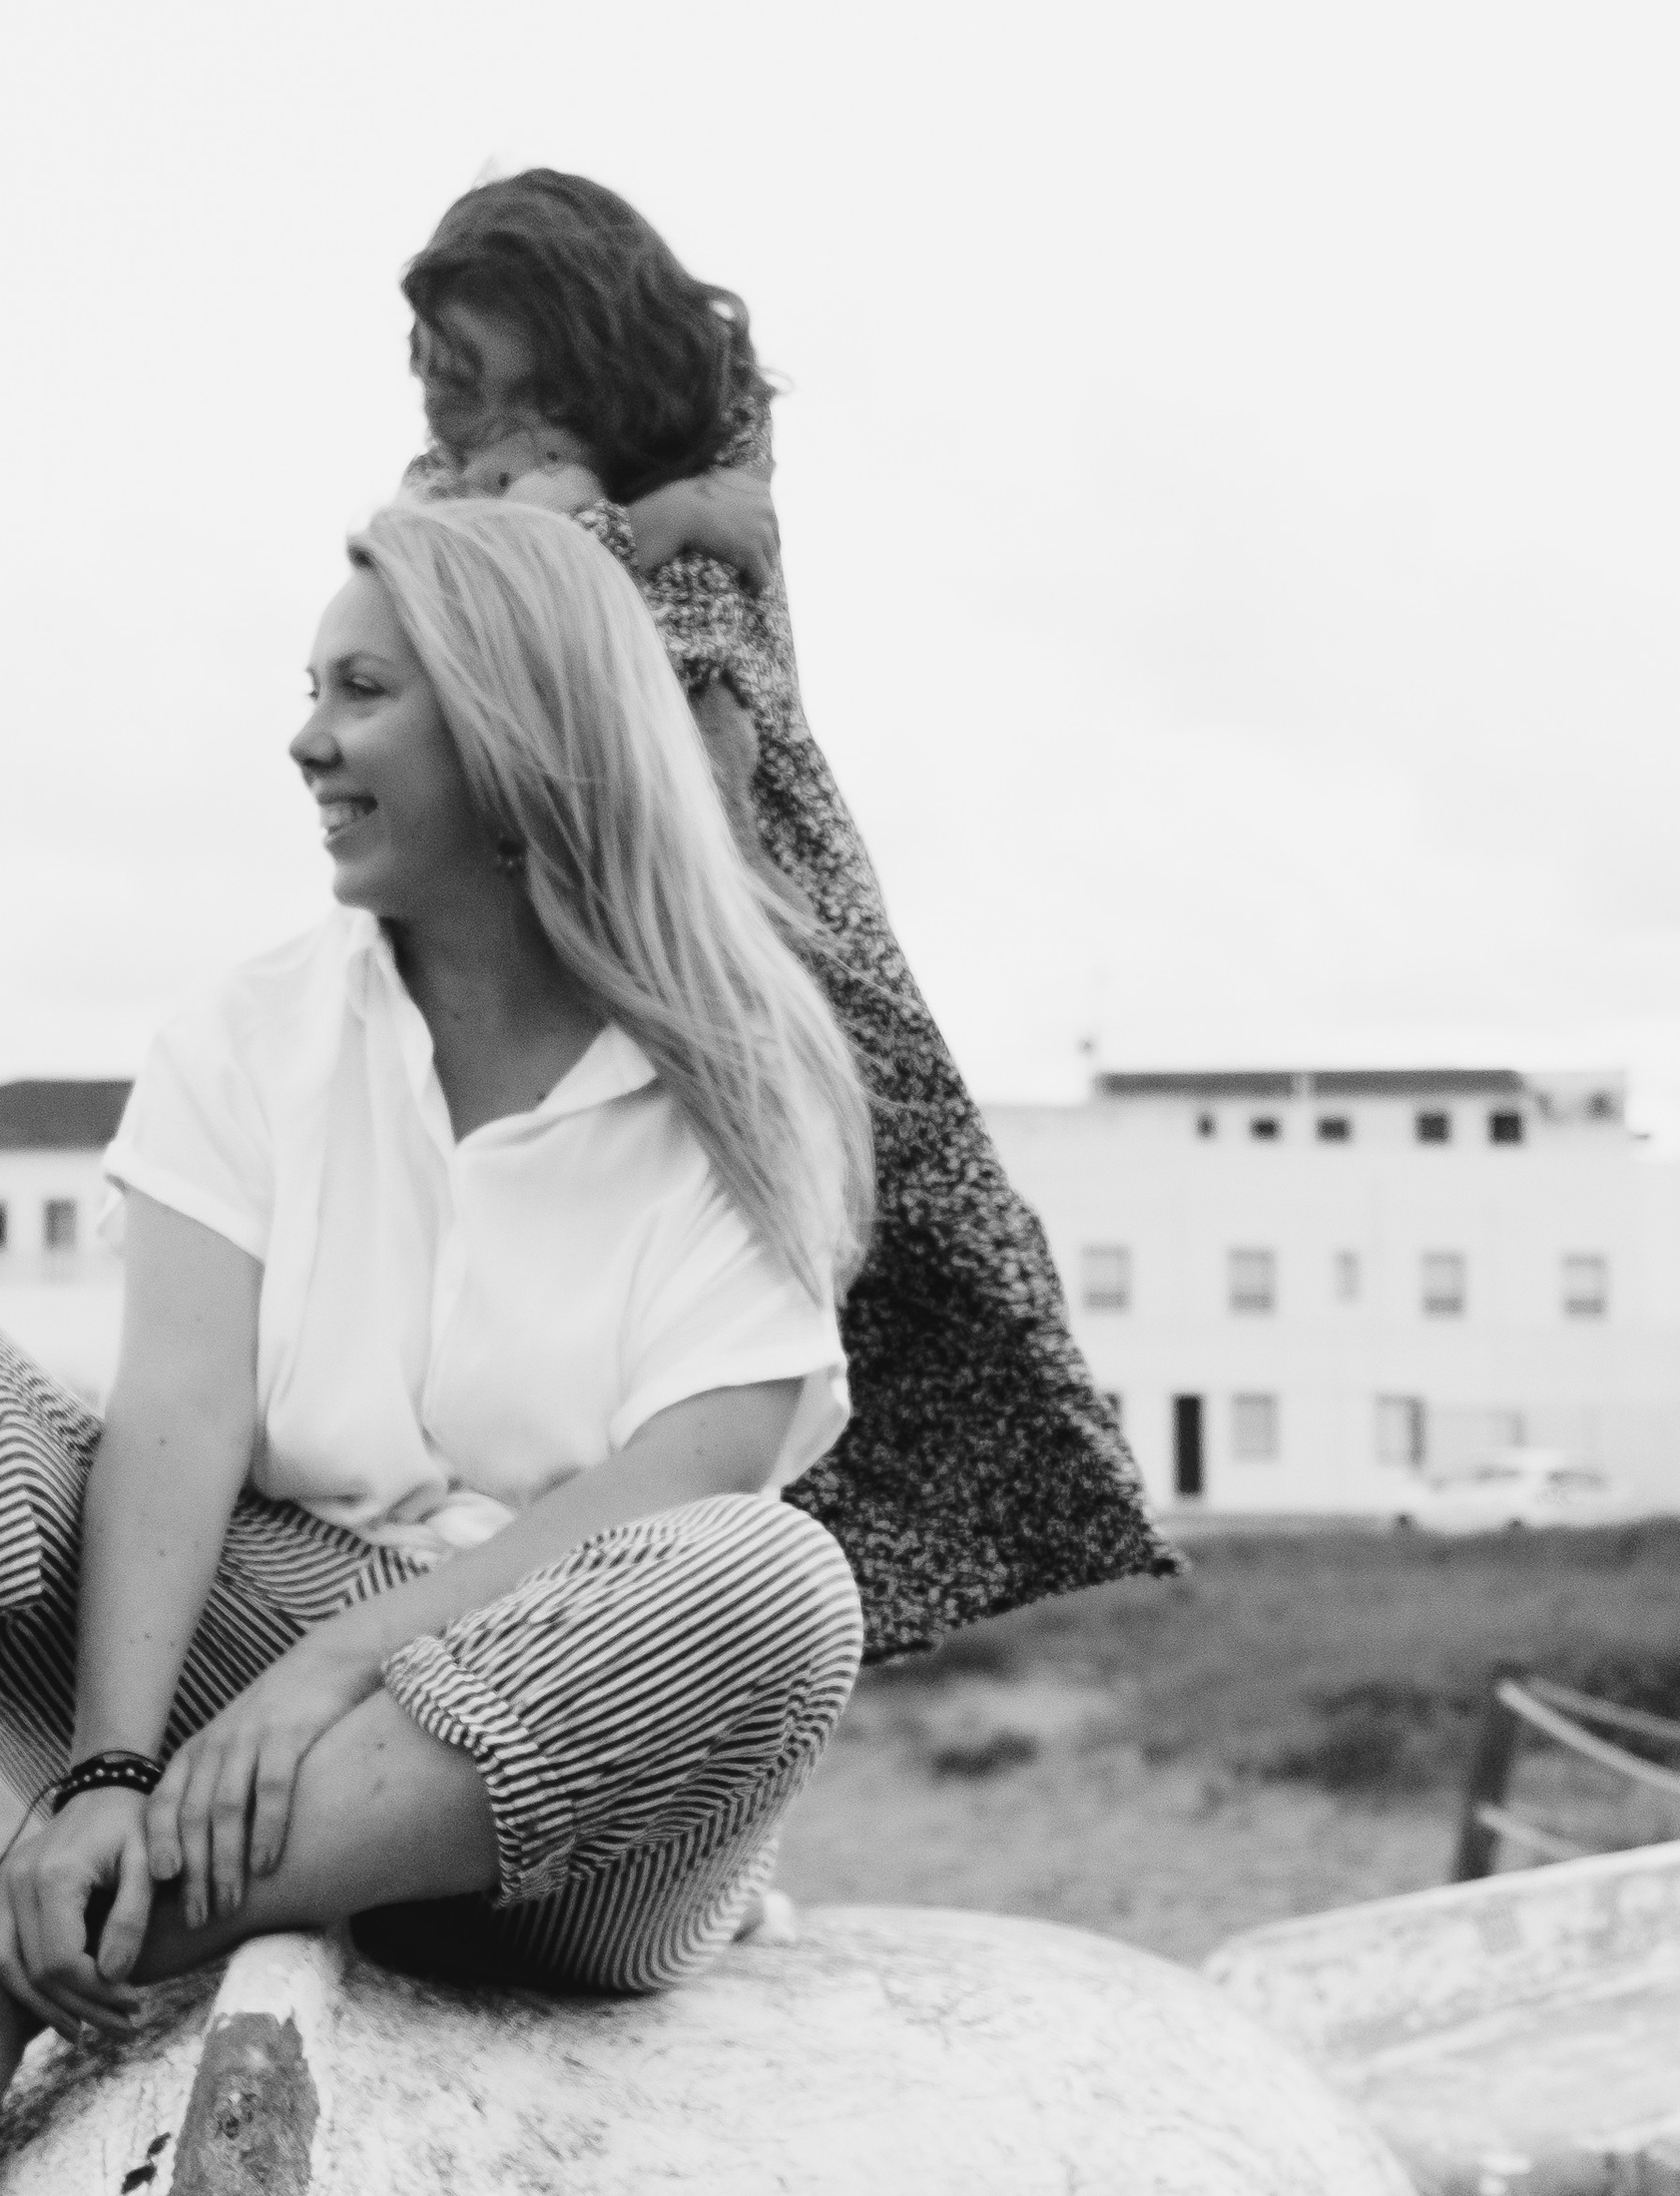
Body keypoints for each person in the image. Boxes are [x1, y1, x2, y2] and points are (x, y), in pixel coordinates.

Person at [0, 499, 876, 2196]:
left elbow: (684, 1477)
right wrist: (110, 1768)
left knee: (772, 1580)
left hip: (556, 1770)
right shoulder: (249, 1036)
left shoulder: (743, 1069)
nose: (304, 741)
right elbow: (176, 1418)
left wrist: (337, 1678)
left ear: (513, 733)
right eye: (305, 690)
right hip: (233, 1671)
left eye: (360, 692)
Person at [397, 169, 1175, 1655]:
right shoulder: (454, 482)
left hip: (742, 876)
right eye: (427, 361)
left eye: (470, 359)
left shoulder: (711, 410)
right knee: (578, 1310)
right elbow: (476, 618)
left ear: (567, 337)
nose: (442, 394)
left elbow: (690, 636)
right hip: (559, 882)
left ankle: (743, 1672)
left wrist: (635, 529)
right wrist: (653, 525)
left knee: (828, 1268)